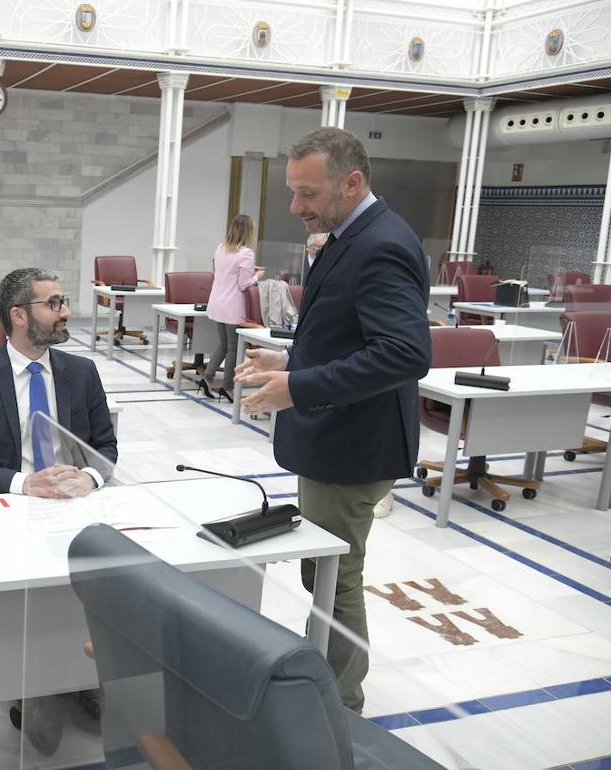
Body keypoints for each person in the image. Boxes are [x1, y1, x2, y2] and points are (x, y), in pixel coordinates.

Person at [234, 127, 430, 712]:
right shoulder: (349, 233)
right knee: (325, 572)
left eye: (307, 193)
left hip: (353, 445)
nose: (296, 207)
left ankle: (339, 702)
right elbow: (350, 335)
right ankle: (325, 669)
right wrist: (291, 358)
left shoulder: (382, 244)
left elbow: (404, 353)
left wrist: (298, 386)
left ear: (352, 181)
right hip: (339, 436)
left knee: (335, 576)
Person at [0, 267, 117, 497]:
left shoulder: (83, 372)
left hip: (73, 500)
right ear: (18, 316)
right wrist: (25, 483)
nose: (66, 312)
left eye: (63, 301)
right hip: (7, 501)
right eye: (53, 303)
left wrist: (89, 477)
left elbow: (106, 446)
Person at [199, 213, 264, 402]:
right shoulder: (246, 253)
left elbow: (224, 272)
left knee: (224, 344)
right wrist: (257, 275)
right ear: (248, 232)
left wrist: (249, 269)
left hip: (217, 303)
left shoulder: (220, 248)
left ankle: (208, 378)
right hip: (232, 306)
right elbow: (244, 284)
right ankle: (228, 387)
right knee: (233, 348)